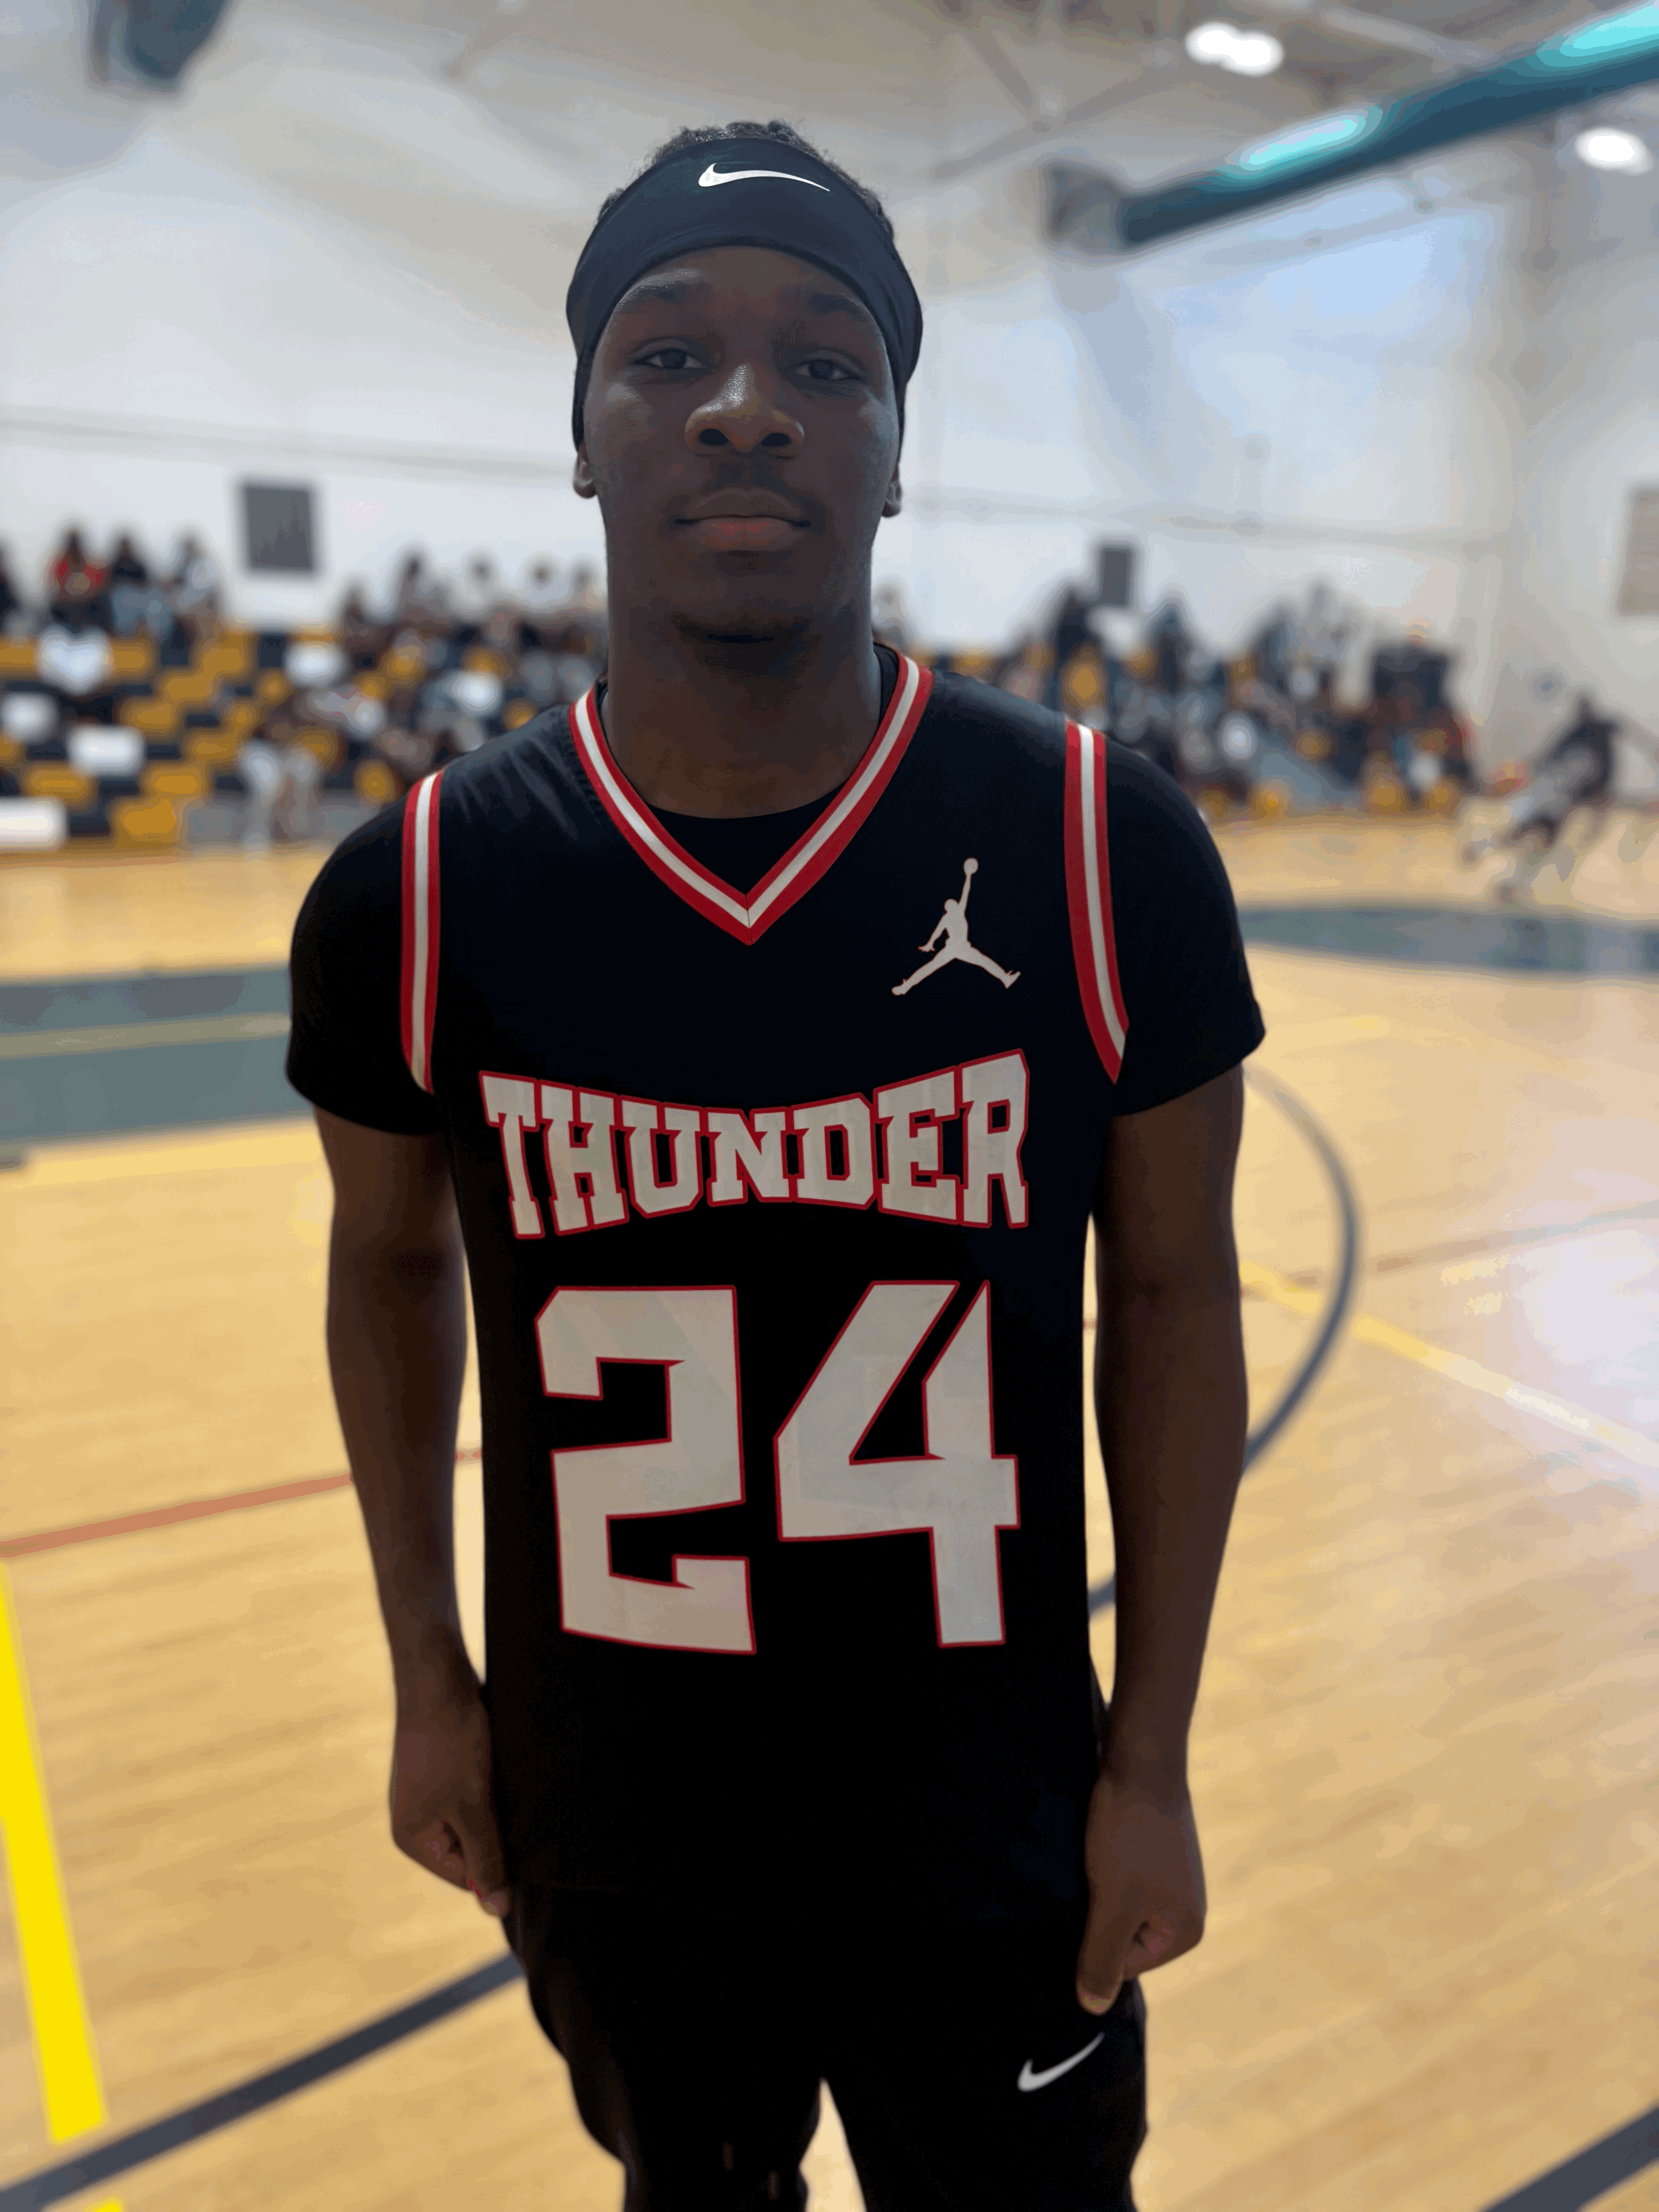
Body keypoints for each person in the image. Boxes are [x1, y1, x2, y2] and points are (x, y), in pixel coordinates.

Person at [288, 117, 1262, 2212]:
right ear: (581, 434)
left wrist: (1155, 1761)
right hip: (613, 1810)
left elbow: (1180, 1294)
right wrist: (430, 1689)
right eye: (667, 356)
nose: (745, 406)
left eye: (827, 363)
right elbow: (386, 1267)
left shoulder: (1102, 845)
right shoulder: (424, 887)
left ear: (896, 451)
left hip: (990, 1816)